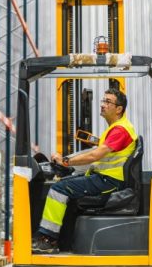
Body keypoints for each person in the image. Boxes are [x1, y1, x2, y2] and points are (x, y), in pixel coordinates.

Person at [32, 87, 138, 254]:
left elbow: (94, 156)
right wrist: (72, 165)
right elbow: (95, 155)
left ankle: (48, 240)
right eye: (103, 101)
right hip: (106, 179)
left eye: (108, 102)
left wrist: (66, 162)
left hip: (109, 182)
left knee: (57, 189)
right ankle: (58, 239)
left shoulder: (120, 130)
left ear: (119, 109)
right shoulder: (116, 128)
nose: (103, 105)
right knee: (65, 183)